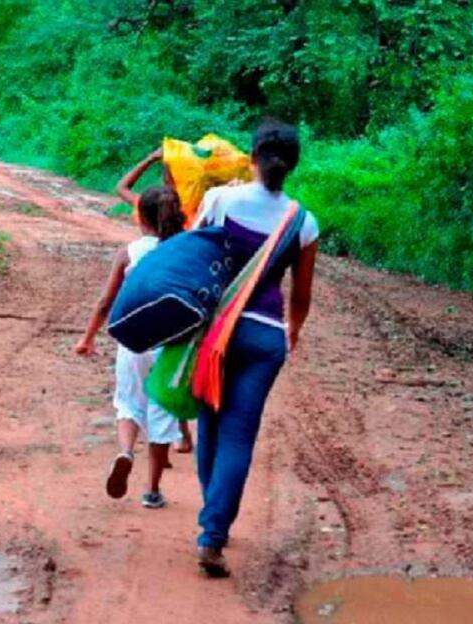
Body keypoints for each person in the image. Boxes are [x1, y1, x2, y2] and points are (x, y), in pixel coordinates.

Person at [190, 119, 318, 577]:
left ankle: (214, 520)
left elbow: (192, 255)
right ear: (292, 166)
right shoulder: (303, 222)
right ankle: (213, 531)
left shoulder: (221, 200)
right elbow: (300, 296)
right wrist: (293, 330)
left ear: (252, 156)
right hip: (265, 337)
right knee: (239, 435)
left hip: (217, 331)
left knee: (210, 422)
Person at [74, 187, 187, 509]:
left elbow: (105, 301)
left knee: (128, 402)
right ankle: (152, 490)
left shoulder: (131, 252)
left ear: (141, 216)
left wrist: (88, 338)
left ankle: (125, 452)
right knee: (162, 409)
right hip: (172, 343)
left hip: (134, 339)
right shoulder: (184, 250)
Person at [115, 149, 194, 455]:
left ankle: (143, 443)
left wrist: (149, 157)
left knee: (136, 387)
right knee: (170, 372)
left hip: (140, 318)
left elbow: (121, 187)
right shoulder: (186, 221)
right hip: (175, 315)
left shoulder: (145, 207)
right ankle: (182, 436)